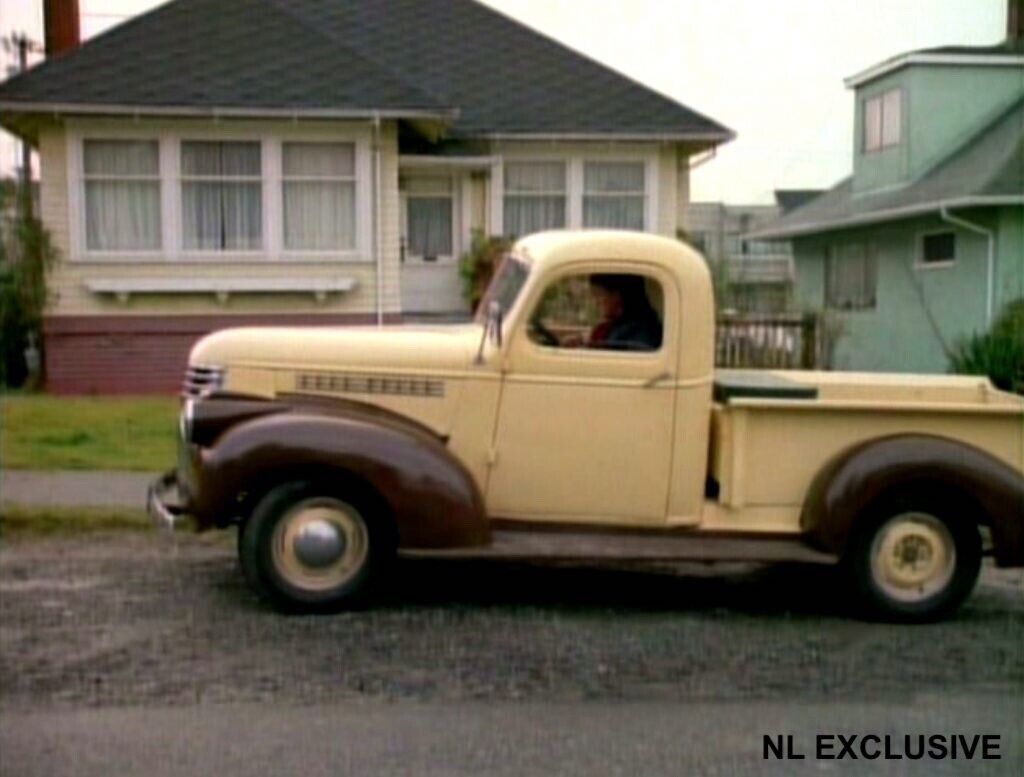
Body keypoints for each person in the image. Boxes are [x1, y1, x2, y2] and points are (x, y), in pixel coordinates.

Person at [587, 274, 662, 351]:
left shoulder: (640, 332)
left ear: (617, 295)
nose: (596, 302)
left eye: (599, 295)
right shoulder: (616, 326)